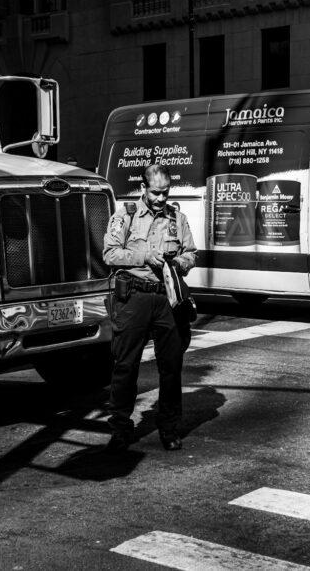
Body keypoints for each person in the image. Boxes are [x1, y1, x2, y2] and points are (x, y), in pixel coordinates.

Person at [102, 163, 197, 453]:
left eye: (165, 193)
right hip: (134, 298)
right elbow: (109, 253)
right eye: (155, 192)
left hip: (166, 298)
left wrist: (179, 263)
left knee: (171, 366)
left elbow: (191, 253)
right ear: (143, 188)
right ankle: (120, 428)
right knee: (126, 365)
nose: (160, 198)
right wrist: (146, 256)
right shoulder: (125, 216)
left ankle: (169, 428)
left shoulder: (177, 218)